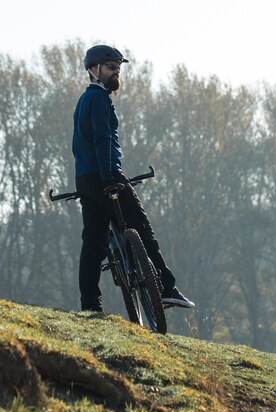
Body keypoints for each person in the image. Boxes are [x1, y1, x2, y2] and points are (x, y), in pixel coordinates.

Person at [72, 44, 195, 312]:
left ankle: (90, 305)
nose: (116, 72)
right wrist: (109, 178)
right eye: (110, 67)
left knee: (93, 241)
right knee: (140, 226)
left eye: (118, 67)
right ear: (93, 70)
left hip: (85, 178)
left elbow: (80, 145)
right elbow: (102, 140)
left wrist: (91, 181)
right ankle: (166, 287)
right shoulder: (99, 99)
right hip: (106, 173)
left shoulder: (83, 101)